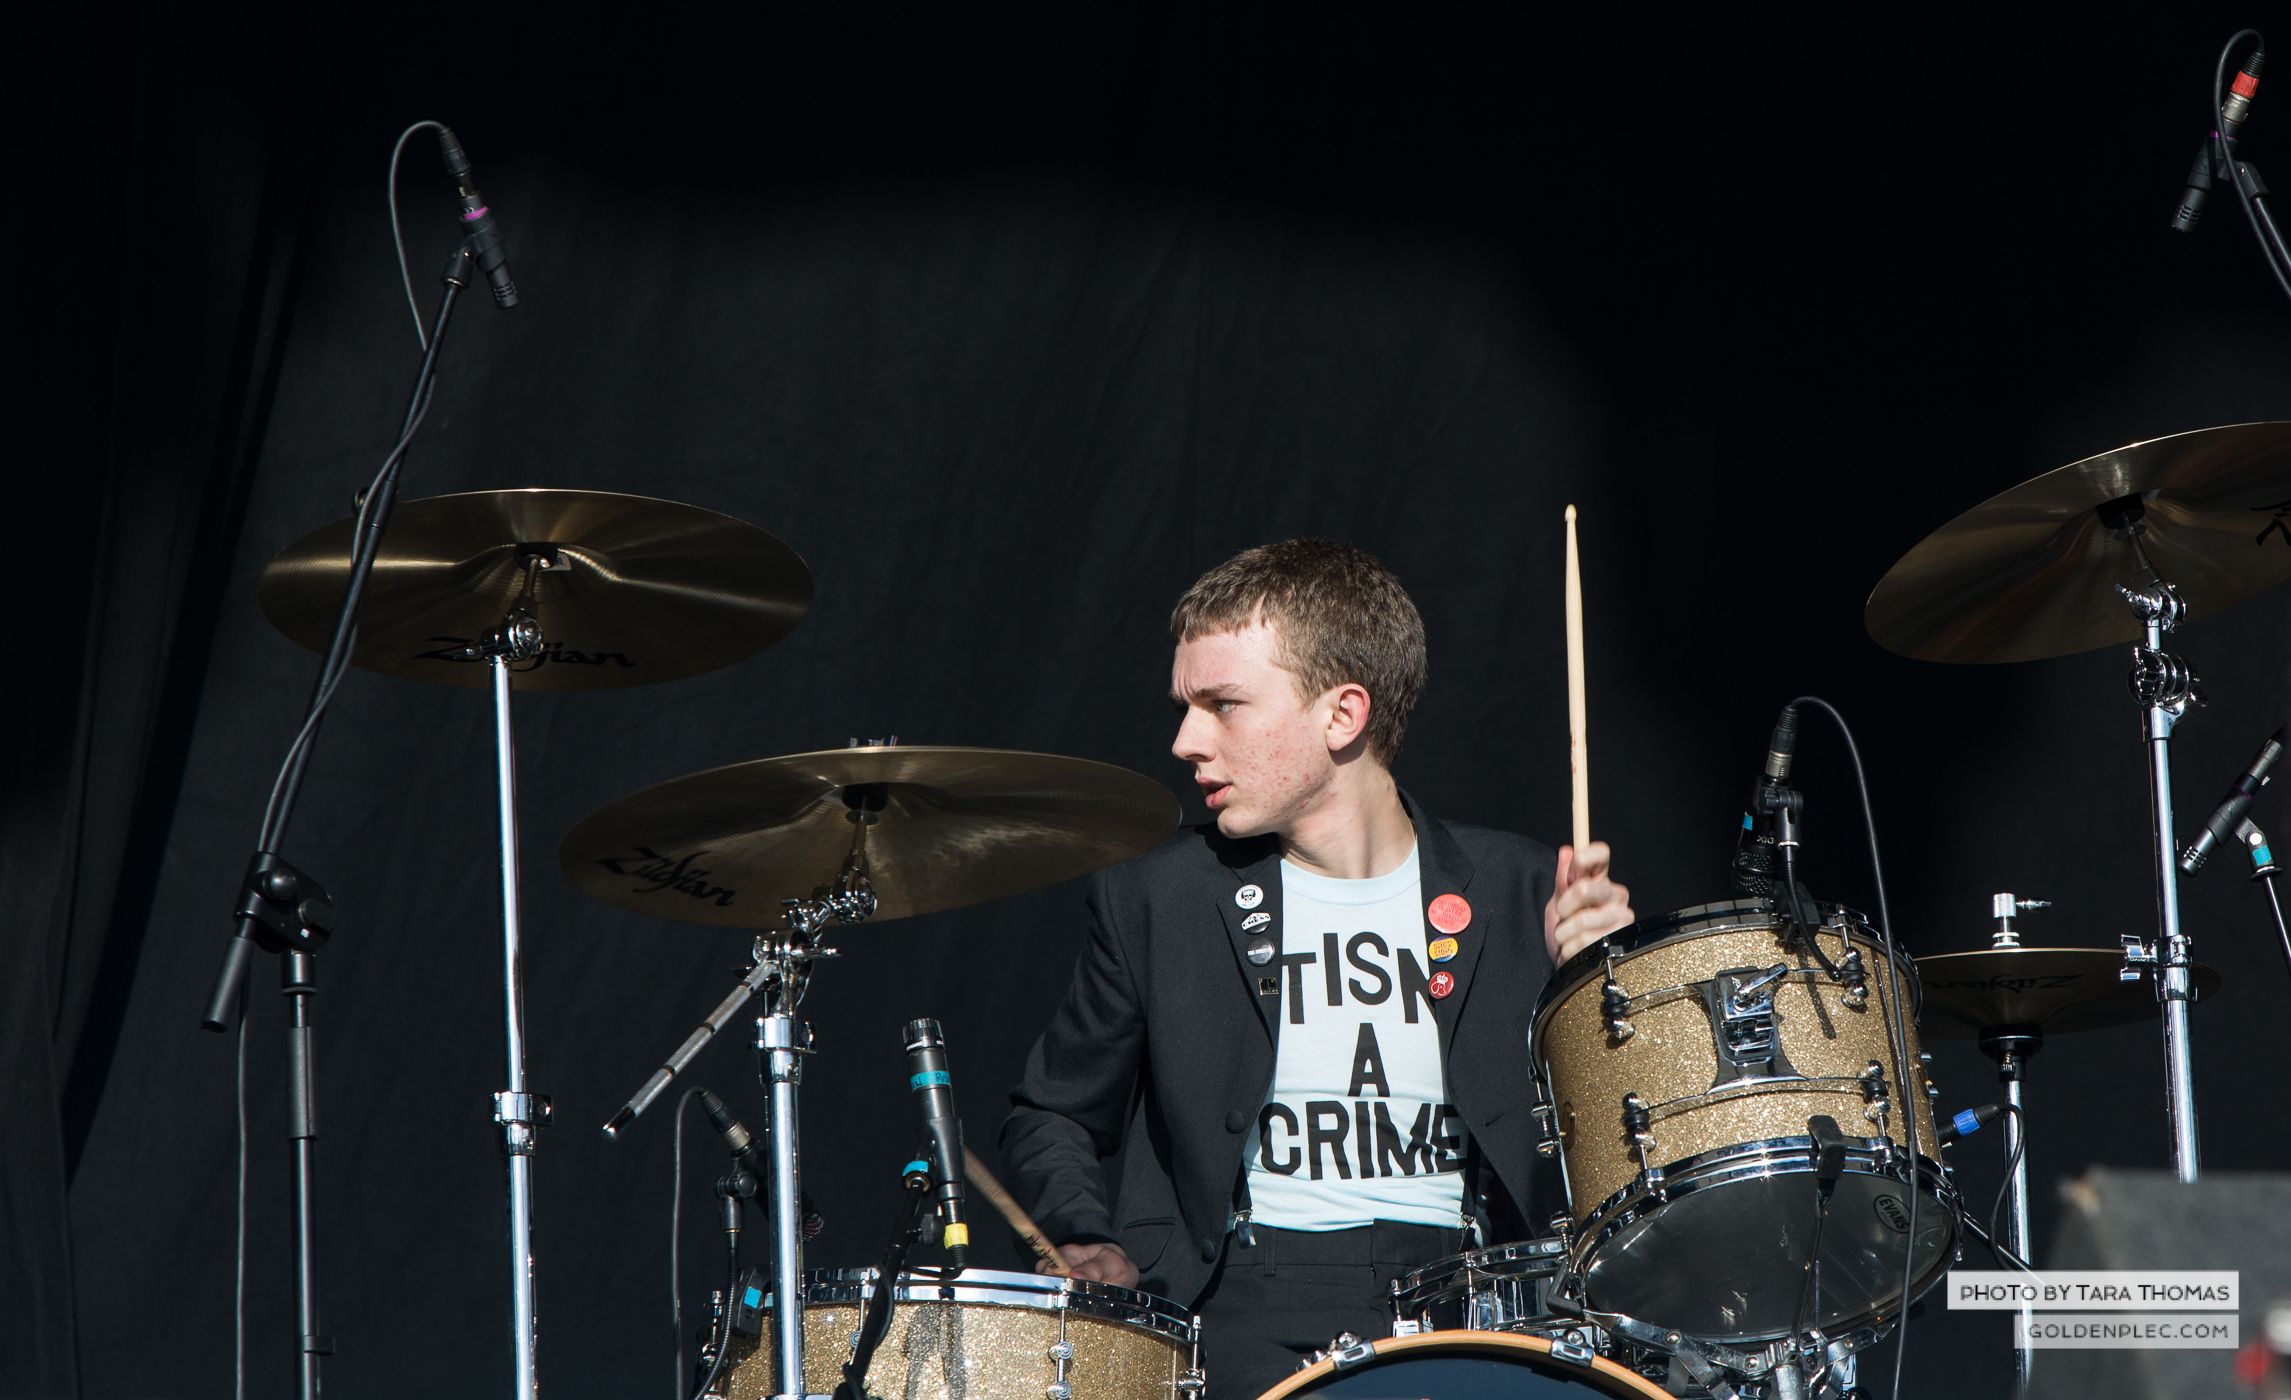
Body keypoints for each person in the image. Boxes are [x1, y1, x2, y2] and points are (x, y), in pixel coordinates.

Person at [999, 537, 1634, 1397]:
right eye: (1187, 707)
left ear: (1342, 715)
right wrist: (1077, 1232)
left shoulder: (1526, 888)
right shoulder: (1159, 897)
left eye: (1222, 704)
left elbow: (1624, 1159)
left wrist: (1594, 991)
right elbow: (1053, 1112)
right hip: (1235, 1308)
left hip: (1478, 1301)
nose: (1186, 740)